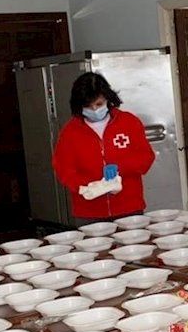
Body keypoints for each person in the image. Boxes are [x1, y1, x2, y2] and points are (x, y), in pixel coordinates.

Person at [52, 72, 155, 225]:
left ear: (108, 99)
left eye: (99, 104)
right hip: (89, 212)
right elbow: (63, 168)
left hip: (129, 207)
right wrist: (88, 186)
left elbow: (146, 158)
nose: (94, 109)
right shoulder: (70, 132)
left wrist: (120, 167)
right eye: (88, 106)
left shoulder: (129, 122)